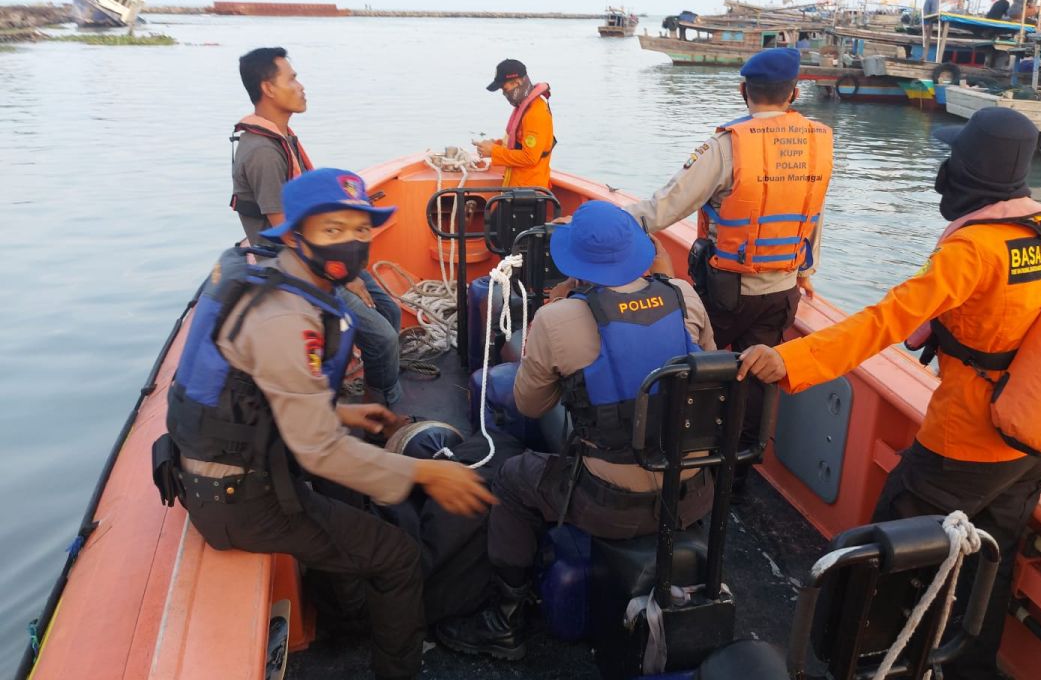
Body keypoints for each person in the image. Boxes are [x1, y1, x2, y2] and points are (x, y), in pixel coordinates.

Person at [738, 108, 1041, 680]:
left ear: (971, 168)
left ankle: (856, 662)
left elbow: (886, 321)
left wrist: (789, 357)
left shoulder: (972, 251)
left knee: (884, 550)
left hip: (964, 443)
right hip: (1032, 437)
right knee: (991, 565)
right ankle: (970, 670)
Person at [159, 168, 497, 680]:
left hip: (244, 461)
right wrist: (428, 474)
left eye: (360, 230)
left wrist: (341, 412)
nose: (353, 242)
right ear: (295, 235)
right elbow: (318, 452)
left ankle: (349, 612)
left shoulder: (280, 277)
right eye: (332, 230)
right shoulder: (284, 315)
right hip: (242, 496)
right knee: (398, 556)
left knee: (355, 491)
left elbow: (256, 392)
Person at [435, 201, 717, 660]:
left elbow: (530, 402)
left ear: (574, 263)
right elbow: (707, 373)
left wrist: (559, 315)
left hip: (607, 506)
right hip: (693, 493)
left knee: (512, 478)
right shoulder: (685, 296)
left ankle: (503, 622)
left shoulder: (558, 317)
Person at [624, 47, 833, 455]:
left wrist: (609, 224)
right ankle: (736, 473)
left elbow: (663, 208)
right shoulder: (818, 142)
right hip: (783, 290)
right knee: (756, 376)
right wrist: (807, 272)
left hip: (727, 291)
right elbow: (814, 212)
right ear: (794, 93)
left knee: (694, 365)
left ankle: (682, 457)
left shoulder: (728, 146)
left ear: (743, 91)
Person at [230, 47, 405, 411]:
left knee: (388, 308)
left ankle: (379, 386)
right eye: (291, 78)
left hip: (318, 250)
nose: (301, 85)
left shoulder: (283, 137)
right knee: (384, 337)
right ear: (269, 88)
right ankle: (382, 412)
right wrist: (343, 275)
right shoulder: (263, 151)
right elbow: (285, 228)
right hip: (296, 264)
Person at [473, 58, 556, 189]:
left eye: (504, 88)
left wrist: (494, 152)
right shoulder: (524, 107)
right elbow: (517, 144)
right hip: (516, 188)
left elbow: (530, 157)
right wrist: (496, 144)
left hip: (529, 192)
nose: (504, 93)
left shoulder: (536, 113)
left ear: (517, 82)